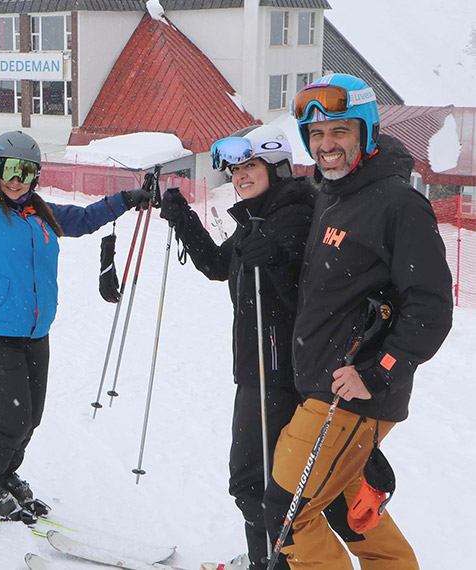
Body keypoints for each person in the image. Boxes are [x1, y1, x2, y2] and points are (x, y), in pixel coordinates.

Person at [0, 60, 152, 517]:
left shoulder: (42, 214)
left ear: (35, 175)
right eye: (8, 170)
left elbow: (85, 219)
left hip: (36, 334)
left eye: (26, 171)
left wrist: (126, 200)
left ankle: (3, 472)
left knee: (29, 419)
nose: (17, 180)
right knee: (12, 418)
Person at [261, 73, 453, 569]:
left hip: (352, 395)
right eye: (317, 134)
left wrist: (378, 371)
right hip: (324, 387)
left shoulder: (397, 204)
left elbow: (430, 307)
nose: (327, 145)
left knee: (288, 512)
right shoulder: (333, 194)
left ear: (366, 132)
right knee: (351, 511)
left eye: (340, 131)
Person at [160, 125, 314, 570]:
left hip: (280, 373)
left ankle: (274, 562)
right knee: (260, 480)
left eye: (251, 166)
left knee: (256, 481)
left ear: (278, 167)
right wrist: (184, 219)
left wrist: (281, 260)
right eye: (237, 169)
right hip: (256, 368)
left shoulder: (297, 216)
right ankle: (265, 559)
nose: (241, 176)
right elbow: (217, 265)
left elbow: (306, 295)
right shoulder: (258, 218)